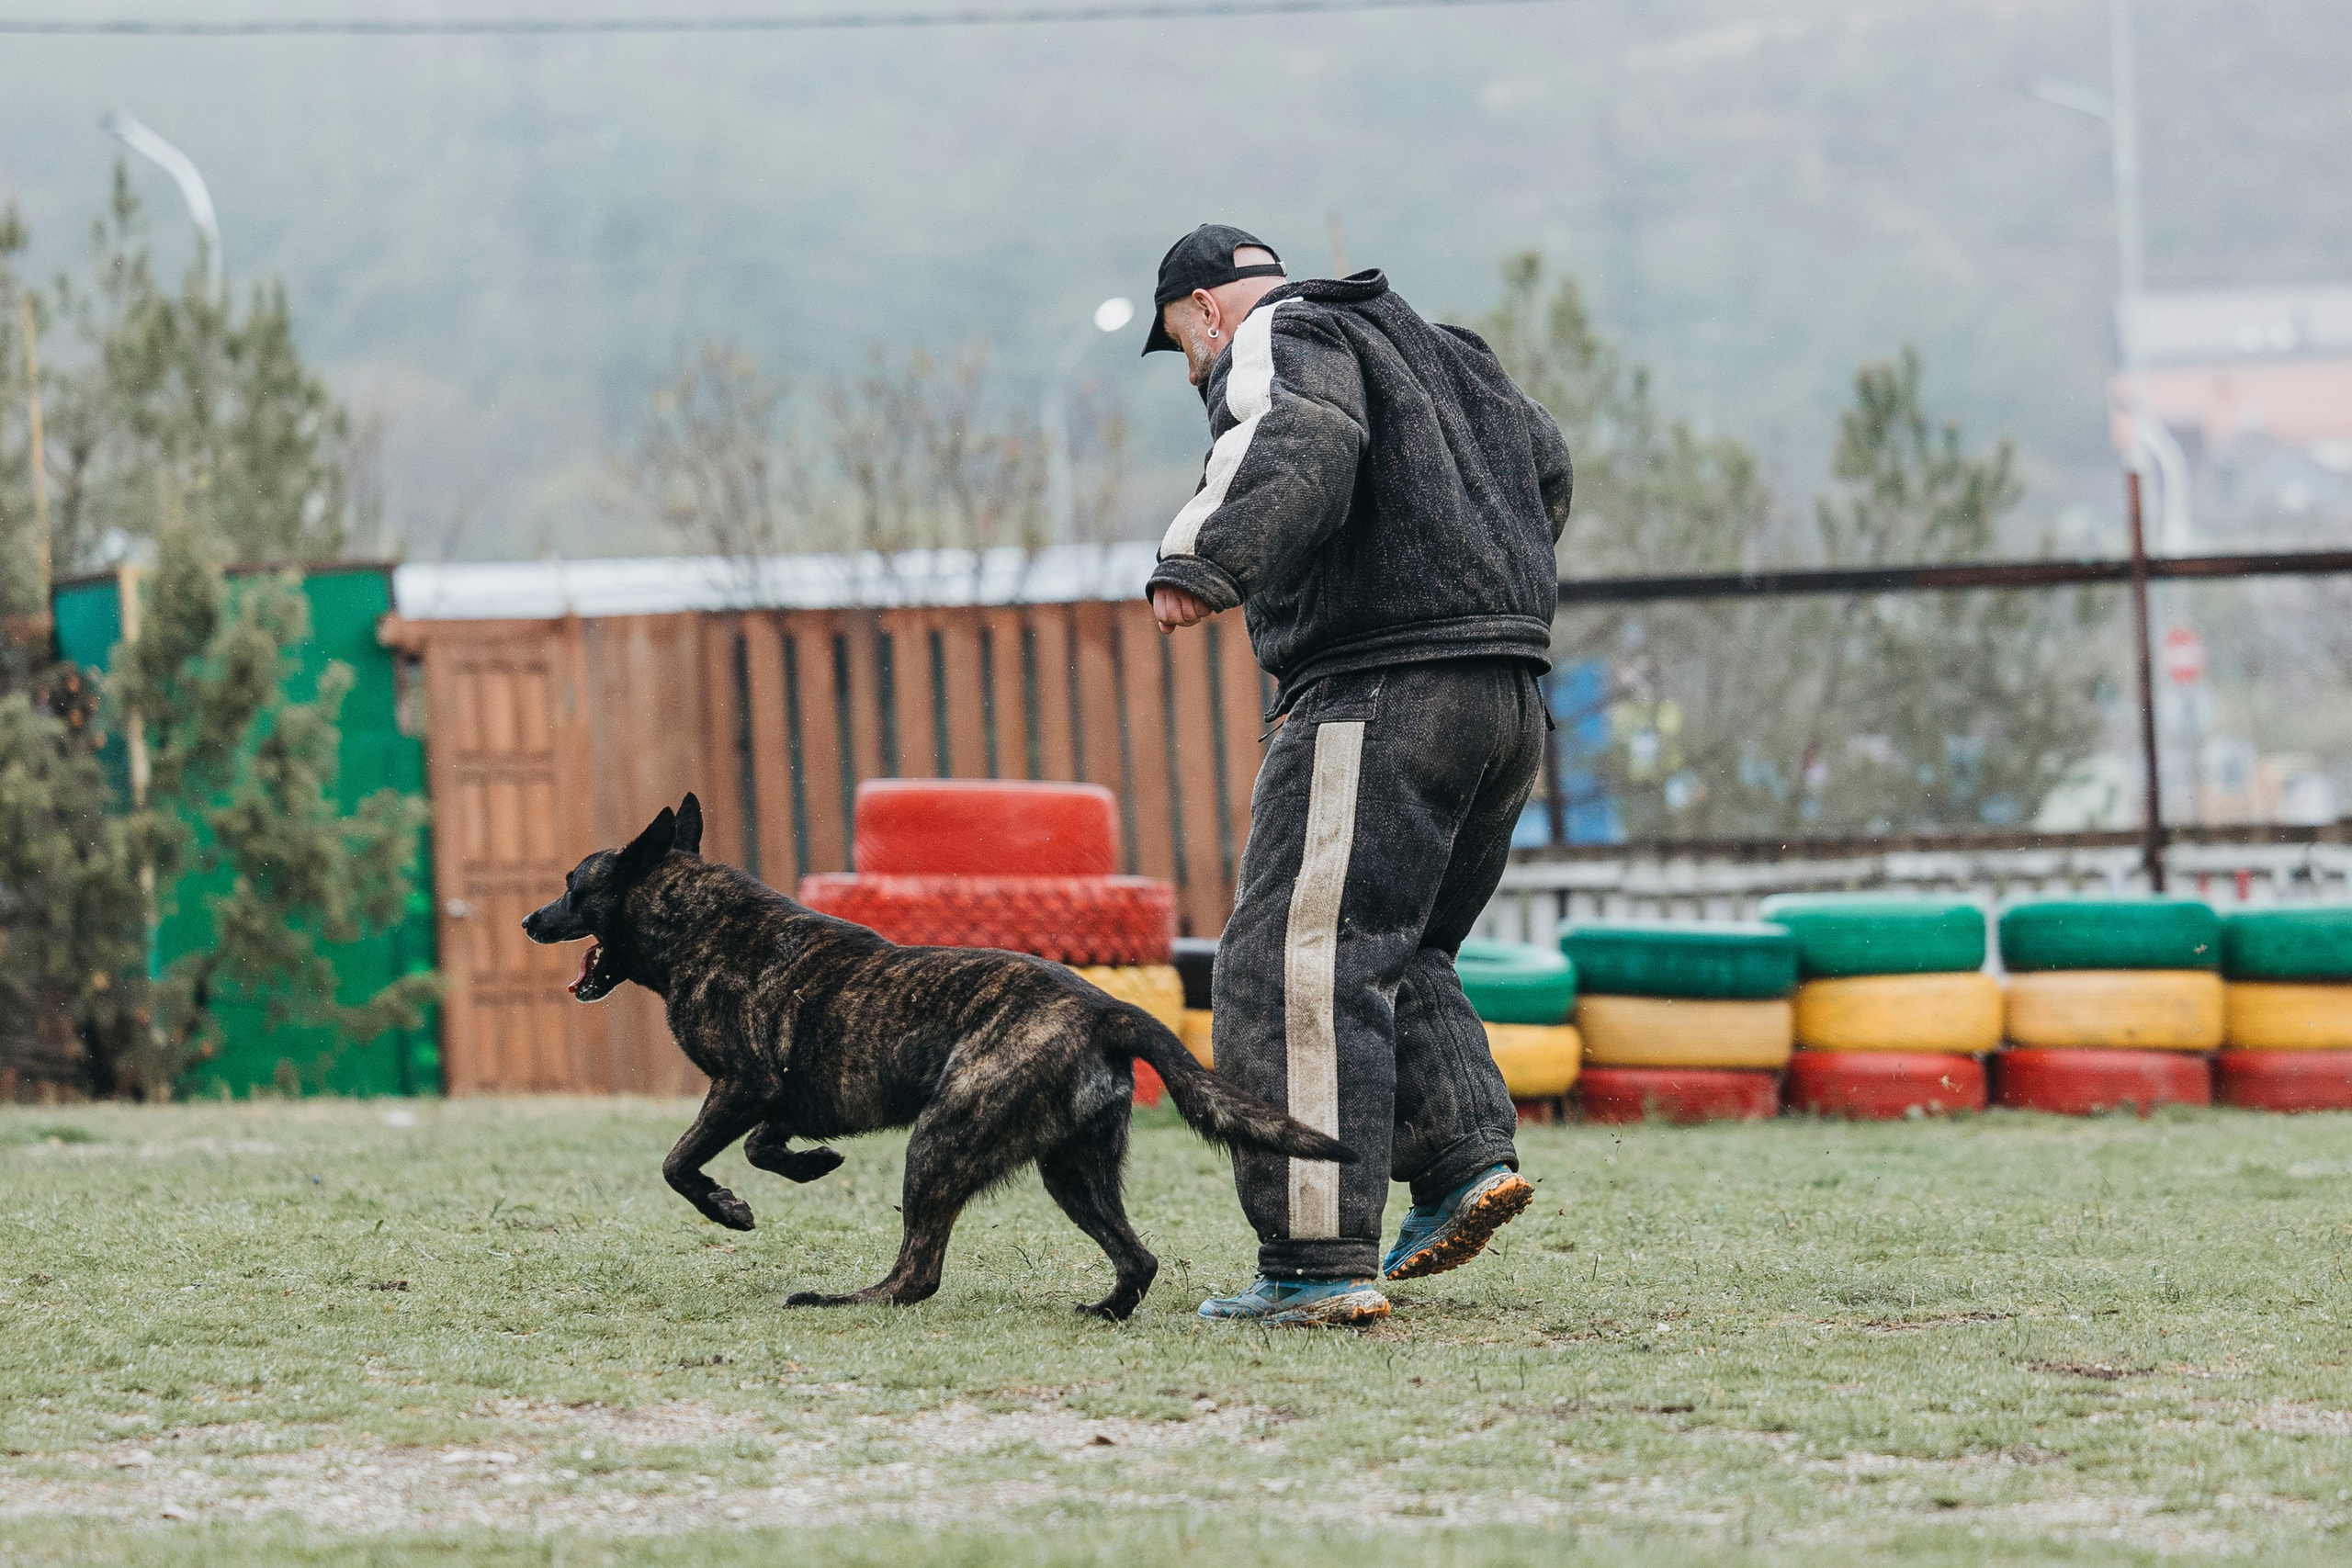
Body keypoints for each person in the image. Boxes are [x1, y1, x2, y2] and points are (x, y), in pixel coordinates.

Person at [1140, 223, 1574, 1326]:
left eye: (1181, 344)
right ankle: (1463, 1165)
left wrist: (1202, 557)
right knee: (1397, 942)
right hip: (1507, 695)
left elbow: (1298, 431)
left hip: (1379, 693)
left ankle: (1314, 1261)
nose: (1191, 369)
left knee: (1293, 963)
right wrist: (1484, 586)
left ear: (1204, 309)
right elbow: (1548, 465)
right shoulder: (1445, 349)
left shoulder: (1284, 329)